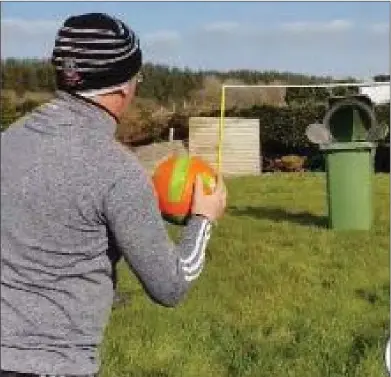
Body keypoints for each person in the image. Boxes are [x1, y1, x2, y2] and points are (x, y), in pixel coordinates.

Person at [1, 13, 227, 377]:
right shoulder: (118, 171)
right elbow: (170, 285)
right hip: (54, 366)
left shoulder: (9, 141)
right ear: (123, 88)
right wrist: (203, 218)